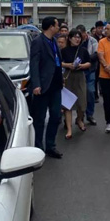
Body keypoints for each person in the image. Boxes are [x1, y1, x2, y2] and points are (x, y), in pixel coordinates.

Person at [29, 16, 64, 159]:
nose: (59, 28)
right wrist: (36, 84)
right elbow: (34, 64)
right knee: (40, 118)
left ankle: (51, 146)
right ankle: (38, 147)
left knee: (56, 116)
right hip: (43, 86)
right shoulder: (38, 42)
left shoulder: (54, 41)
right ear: (51, 27)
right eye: (57, 25)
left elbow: (57, 62)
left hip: (56, 85)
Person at [61, 29, 91, 139]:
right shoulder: (64, 51)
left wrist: (82, 66)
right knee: (67, 104)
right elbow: (59, 63)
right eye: (75, 37)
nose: (77, 39)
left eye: (79, 37)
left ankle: (79, 119)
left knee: (82, 103)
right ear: (70, 38)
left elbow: (89, 62)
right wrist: (68, 65)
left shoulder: (83, 50)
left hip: (80, 77)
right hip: (68, 77)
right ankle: (69, 129)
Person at [77, 24, 98, 125]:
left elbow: (96, 54)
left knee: (90, 92)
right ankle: (79, 116)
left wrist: (86, 59)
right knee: (78, 94)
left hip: (90, 70)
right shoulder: (76, 41)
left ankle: (90, 114)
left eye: (81, 34)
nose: (79, 37)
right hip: (78, 71)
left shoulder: (93, 41)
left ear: (85, 33)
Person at [93, 20, 105, 101]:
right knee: (95, 79)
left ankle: (102, 92)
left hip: (103, 61)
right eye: (99, 28)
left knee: (102, 78)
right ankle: (95, 95)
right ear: (96, 28)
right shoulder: (92, 38)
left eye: (101, 28)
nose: (100, 30)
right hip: (95, 61)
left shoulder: (105, 37)